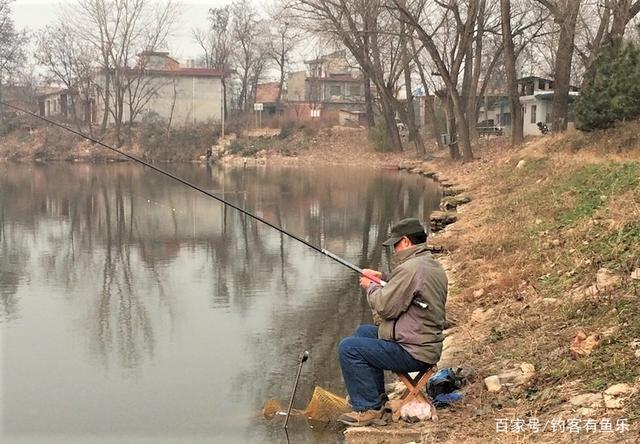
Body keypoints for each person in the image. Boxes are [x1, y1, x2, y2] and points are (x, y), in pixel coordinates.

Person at [338, 217, 448, 426]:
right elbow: (411, 291)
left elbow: (385, 307)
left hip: (414, 351)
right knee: (364, 332)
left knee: (348, 348)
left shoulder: (411, 268)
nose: (395, 249)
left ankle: (368, 408)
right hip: (423, 343)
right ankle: (378, 401)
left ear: (406, 241)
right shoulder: (428, 265)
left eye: (396, 244)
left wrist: (371, 287)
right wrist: (384, 277)